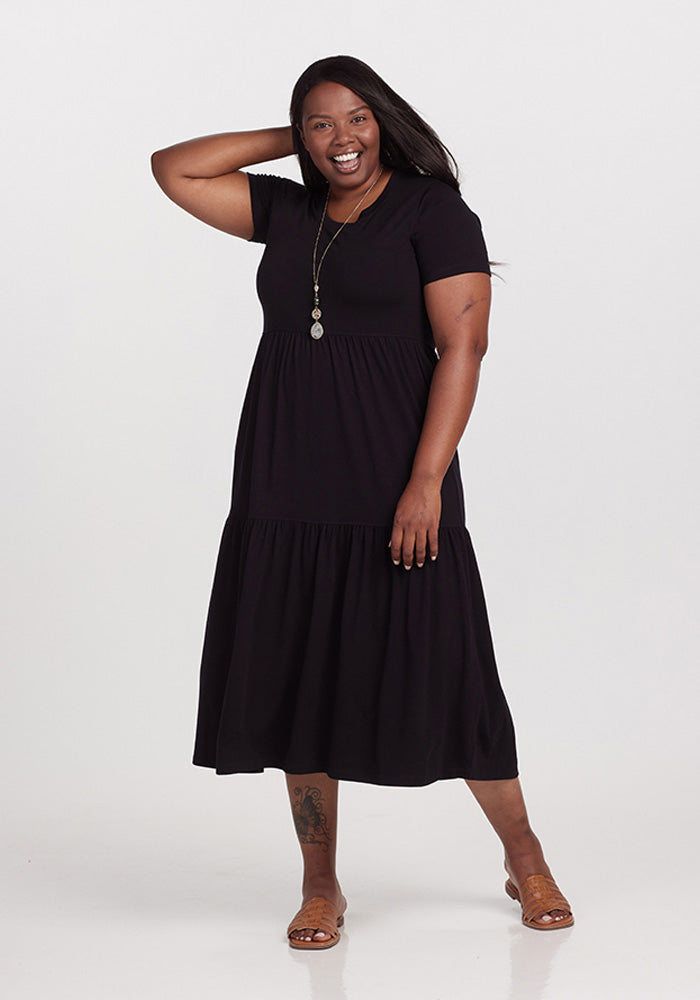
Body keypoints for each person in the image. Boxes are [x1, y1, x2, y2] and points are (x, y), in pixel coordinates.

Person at [150, 54, 574, 949]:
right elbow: (174, 168)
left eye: (357, 119)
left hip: (395, 475)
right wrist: (295, 141)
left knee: (452, 673)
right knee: (298, 675)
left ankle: (525, 856)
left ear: (386, 119)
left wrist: (426, 482)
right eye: (322, 123)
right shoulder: (290, 209)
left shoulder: (433, 210)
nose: (342, 138)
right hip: (285, 478)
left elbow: (465, 348)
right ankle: (320, 884)